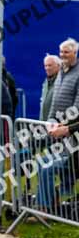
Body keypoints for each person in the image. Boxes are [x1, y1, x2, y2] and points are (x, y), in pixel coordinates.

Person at [36, 38, 79, 209]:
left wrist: (64, 127)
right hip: (61, 133)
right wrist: (51, 122)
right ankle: (49, 204)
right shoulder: (61, 71)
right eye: (61, 52)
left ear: (75, 52)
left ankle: (44, 208)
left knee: (50, 166)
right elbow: (54, 101)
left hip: (73, 136)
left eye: (66, 52)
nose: (63, 55)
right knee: (42, 162)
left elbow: (77, 106)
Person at [40, 54, 60, 121]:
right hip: (45, 123)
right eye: (45, 65)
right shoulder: (46, 82)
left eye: (50, 65)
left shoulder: (63, 81)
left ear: (58, 66)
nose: (47, 68)